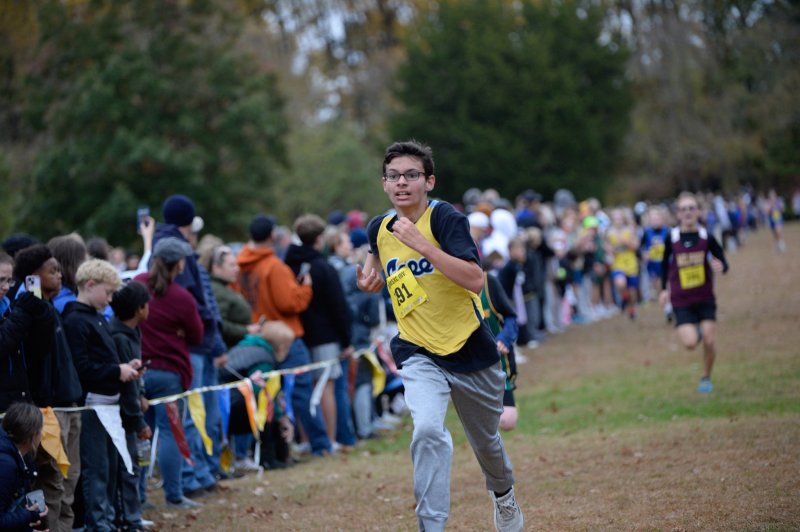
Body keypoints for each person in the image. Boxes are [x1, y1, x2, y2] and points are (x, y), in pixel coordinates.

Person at [357, 140, 523, 531]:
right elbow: (374, 270)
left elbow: (474, 278)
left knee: (487, 443)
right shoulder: (378, 228)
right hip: (417, 351)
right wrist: (368, 280)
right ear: (384, 184)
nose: (402, 183)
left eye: (411, 175)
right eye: (394, 176)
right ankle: (431, 526)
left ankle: (504, 496)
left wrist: (422, 246)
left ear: (428, 181)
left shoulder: (446, 219)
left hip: (469, 347)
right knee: (428, 430)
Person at [237, 214, 332, 456]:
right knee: (301, 392)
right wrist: (306, 288)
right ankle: (320, 445)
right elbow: (289, 302)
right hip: (285, 338)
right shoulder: (274, 266)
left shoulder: (240, 266)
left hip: (257, 339)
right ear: (272, 236)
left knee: (269, 396)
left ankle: (276, 451)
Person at [62, 259, 141, 531]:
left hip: (111, 405)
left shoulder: (98, 317)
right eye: (107, 293)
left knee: (109, 469)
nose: (110, 300)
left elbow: (103, 360)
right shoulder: (74, 320)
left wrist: (124, 368)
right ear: (90, 285)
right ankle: (99, 524)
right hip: (92, 406)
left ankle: (107, 521)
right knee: (96, 471)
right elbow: (81, 366)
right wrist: (114, 371)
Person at [13, 244, 83, 532]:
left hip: (69, 401)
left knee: (69, 478)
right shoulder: (30, 310)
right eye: (52, 271)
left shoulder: (51, 308)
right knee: (51, 480)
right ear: (33, 277)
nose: (60, 276)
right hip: (48, 409)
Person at [135, 237, 204, 508]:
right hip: (169, 375)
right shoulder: (181, 297)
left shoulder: (137, 284)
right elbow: (197, 334)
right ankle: (173, 495)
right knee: (170, 433)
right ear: (179, 265)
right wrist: (179, 332)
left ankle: (138, 497)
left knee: (140, 434)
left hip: (138, 372)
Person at [284, 214, 355, 449]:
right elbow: (338, 306)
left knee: (304, 388)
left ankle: (306, 439)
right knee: (326, 386)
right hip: (325, 335)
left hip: (299, 333)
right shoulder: (323, 267)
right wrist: (346, 340)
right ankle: (329, 438)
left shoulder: (288, 264)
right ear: (318, 238)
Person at [659, 192, 729, 394]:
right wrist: (664, 289)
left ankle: (706, 377)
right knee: (690, 343)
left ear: (698, 211)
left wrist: (720, 266)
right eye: (683, 209)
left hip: (705, 298)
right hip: (681, 300)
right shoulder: (671, 238)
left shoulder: (706, 236)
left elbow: (723, 261)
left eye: (692, 208)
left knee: (709, 340)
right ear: (677, 214)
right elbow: (664, 265)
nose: (688, 212)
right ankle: (697, 331)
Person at [109, 281, 153, 531]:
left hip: (132, 408)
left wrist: (142, 393)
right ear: (139, 309)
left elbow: (136, 373)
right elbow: (126, 387)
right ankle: (128, 519)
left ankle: (133, 514)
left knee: (134, 465)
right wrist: (138, 421)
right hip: (123, 415)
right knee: (127, 468)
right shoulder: (120, 337)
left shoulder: (133, 332)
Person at [0, 402, 48, 531]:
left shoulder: (17, 454)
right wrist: (30, 514)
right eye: (41, 429)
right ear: (33, 435)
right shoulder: (6, 466)